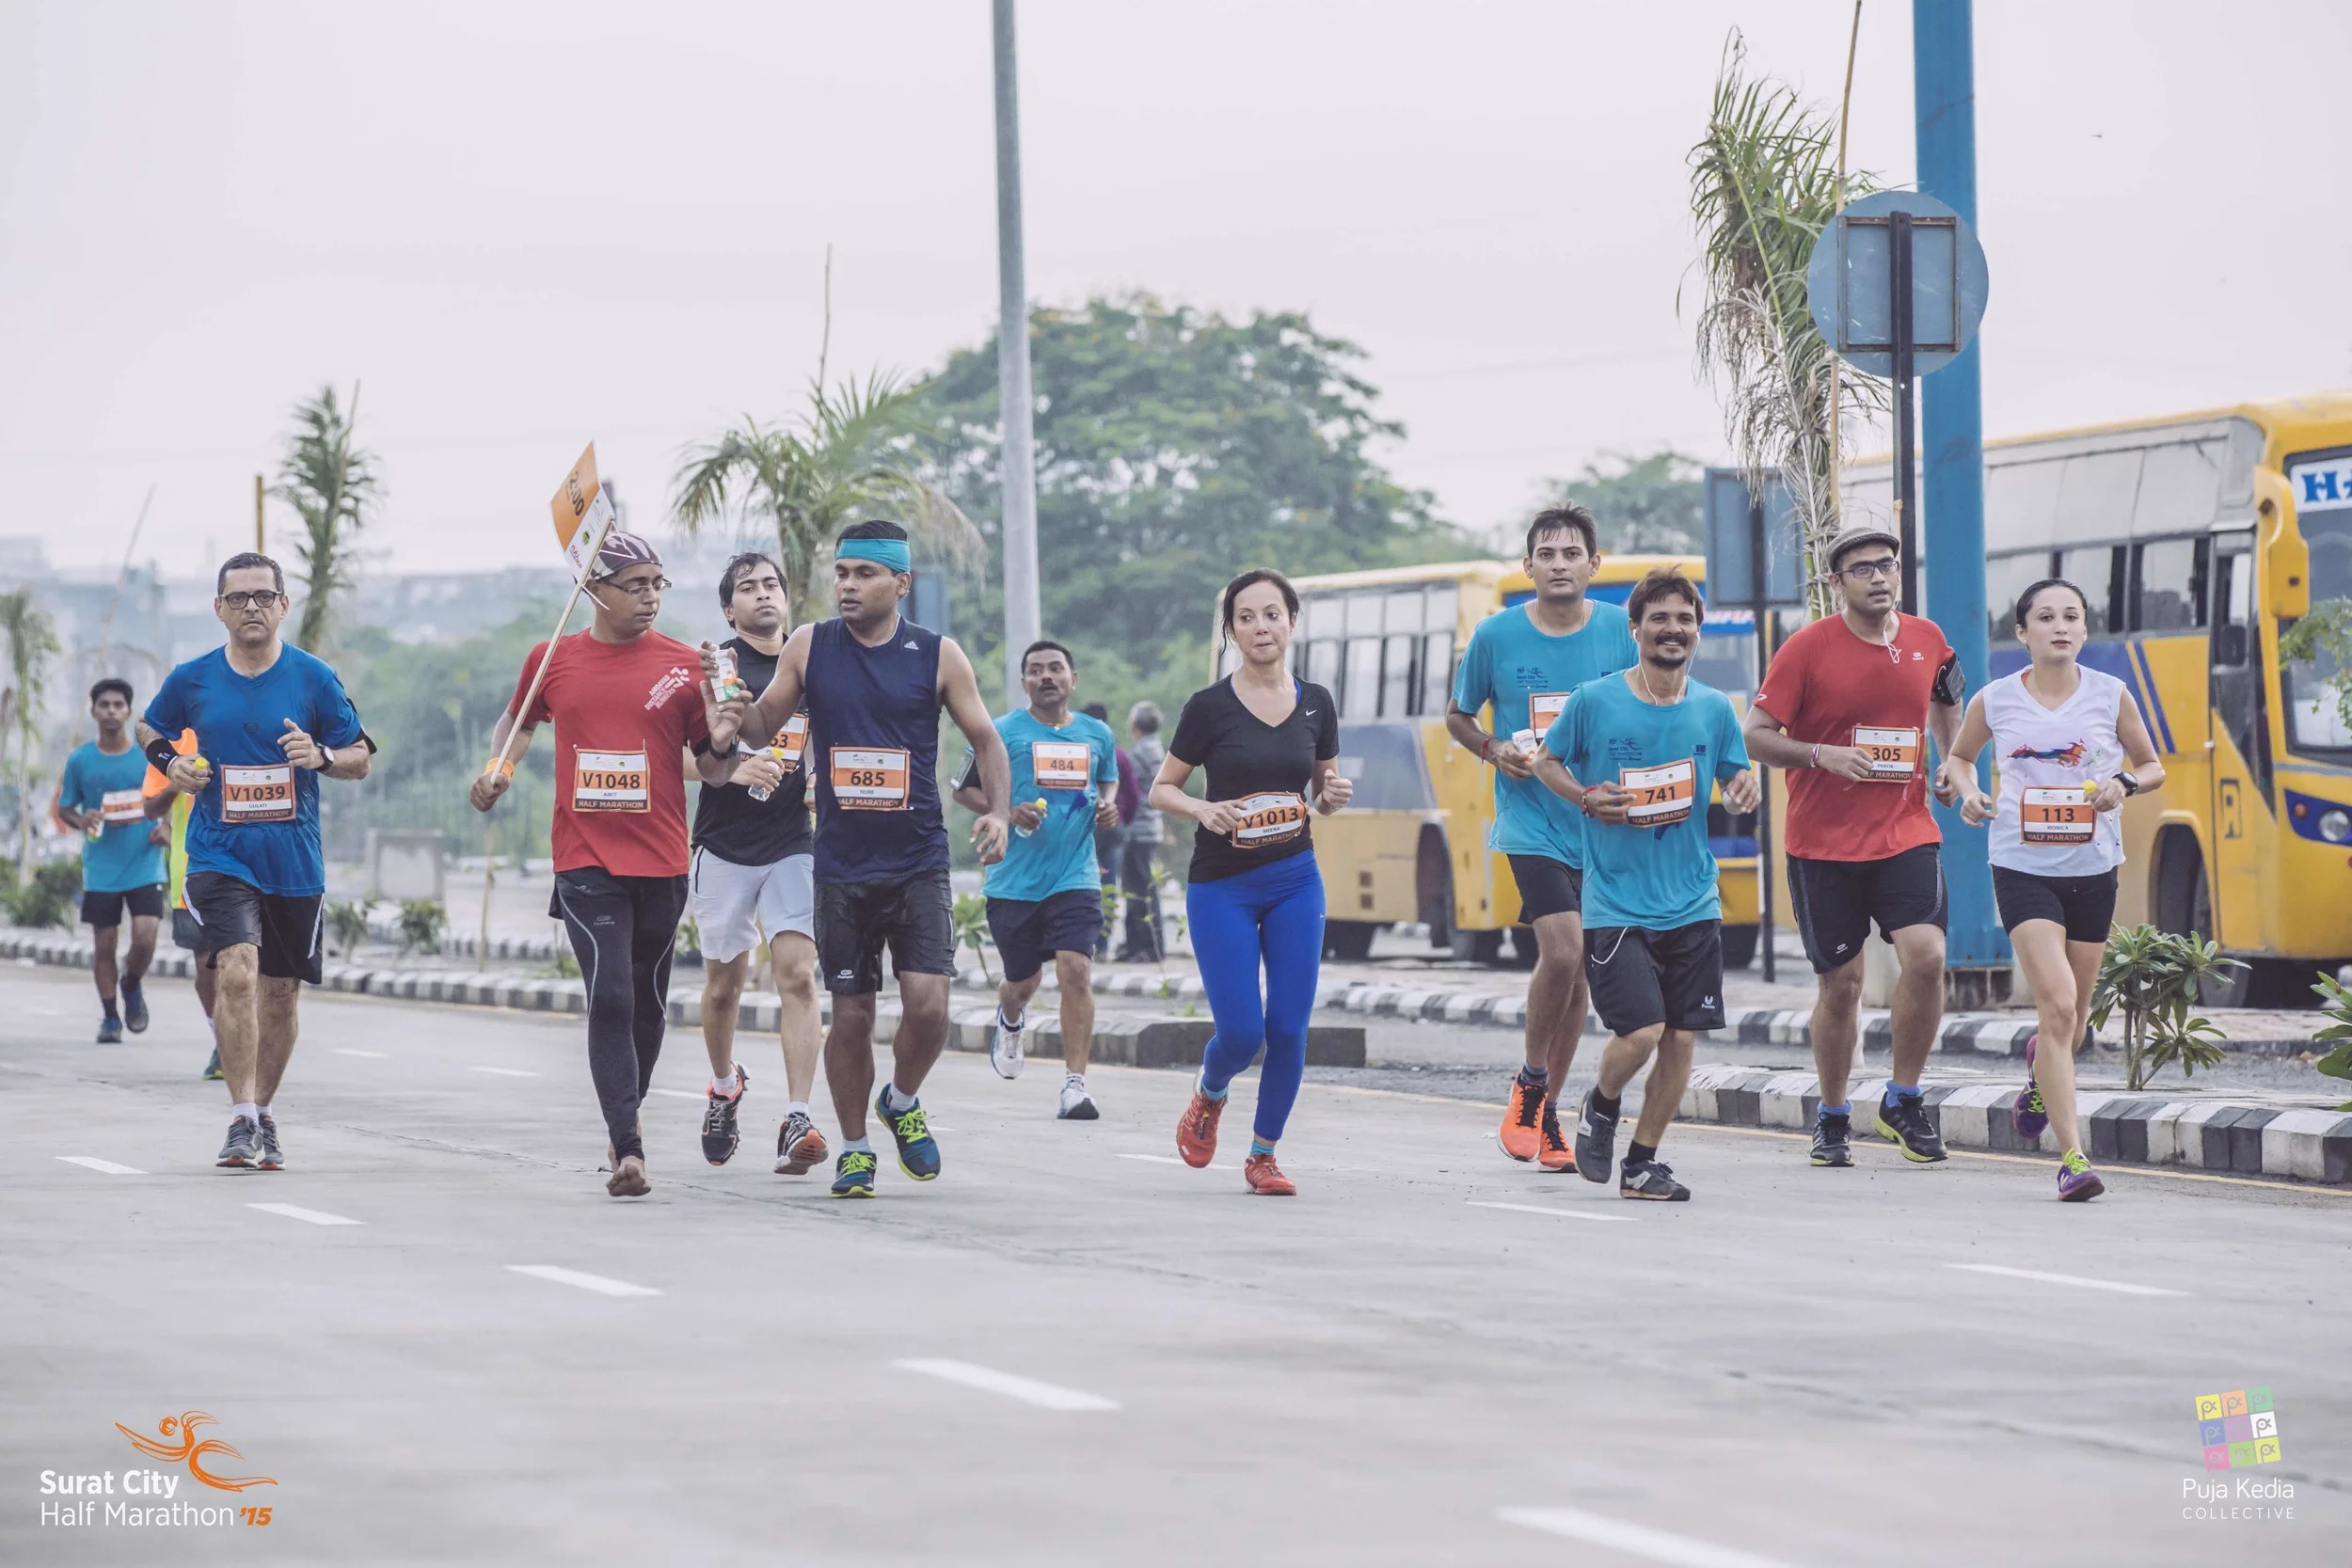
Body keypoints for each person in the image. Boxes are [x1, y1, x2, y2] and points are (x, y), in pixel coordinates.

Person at [707, 519, 1011, 1199]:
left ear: (901, 583)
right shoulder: (810, 646)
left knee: (929, 1007)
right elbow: (761, 724)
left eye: (864, 574)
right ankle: (854, 1148)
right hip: (841, 865)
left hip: (918, 859)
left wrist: (996, 810)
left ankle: (900, 1100)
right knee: (850, 1015)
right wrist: (728, 710)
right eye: (841, 572)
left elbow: (987, 739)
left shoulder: (938, 655)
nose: (847, 585)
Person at [472, 531, 732, 1198]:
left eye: (656, 584)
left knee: (647, 1005)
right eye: (635, 585)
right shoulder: (551, 659)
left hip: (662, 858)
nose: (650, 597)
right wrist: (498, 770)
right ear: (592, 589)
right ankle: (630, 1147)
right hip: (584, 859)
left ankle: (624, 1112)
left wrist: (725, 730)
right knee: (610, 993)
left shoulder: (683, 667)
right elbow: (518, 724)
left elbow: (711, 767)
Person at [139, 553, 373, 1170]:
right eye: (238, 597)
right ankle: (241, 1115)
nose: (251, 607)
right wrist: (171, 763)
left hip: (294, 862)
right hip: (219, 854)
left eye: (263, 596)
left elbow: (360, 755)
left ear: (283, 605)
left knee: (280, 993)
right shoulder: (193, 678)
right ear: (218, 608)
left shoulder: (314, 678)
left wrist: (321, 756)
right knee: (237, 972)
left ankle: (262, 1110)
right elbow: (149, 727)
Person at [1741, 522, 1964, 1168]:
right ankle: (1834, 1113)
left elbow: (1947, 696)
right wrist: (1822, 754)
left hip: (1905, 830)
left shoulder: (1927, 639)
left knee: (1927, 956)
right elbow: (1755, 734)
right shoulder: (1806, 649)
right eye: (1862, 569)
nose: (1879, 577)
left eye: (1887, 564)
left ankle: (1904, 1097)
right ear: (1836, 583)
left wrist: (1951, 761)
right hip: (1823, 843)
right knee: (1841, 986)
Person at [1535, 566, 1758, 1201]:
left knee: (1682, 1036)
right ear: (1635, 629)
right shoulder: (1594, 700)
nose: (1672, 629)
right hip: (1616, 902)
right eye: (1659, 618)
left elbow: (1736, 780)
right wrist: (1585, 797)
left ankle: (1642, 1163)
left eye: (1684, 619)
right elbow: (1547, 761)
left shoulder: (1714, 708)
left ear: (1697, 632)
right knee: (1642, 1032)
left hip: (1692, 899)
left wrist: (1743, 790)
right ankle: (1602, 1102)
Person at [1939, 578, 2164, 1202]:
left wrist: (2124, 783)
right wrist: (1970, 792)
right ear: (2022, 632)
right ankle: (2072, 1159)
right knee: (2059, 1004)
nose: (2060, 626)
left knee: (2073, 1023)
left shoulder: (2110, 694)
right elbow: (1960, 758)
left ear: (2084, 629)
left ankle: (2041, 1073)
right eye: (2045, 617)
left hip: (2093, 868)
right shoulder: (1995, 700)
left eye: (2071, 616)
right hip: (2023, 867)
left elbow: (2152, 765)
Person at [1446, 503, 1636, 1172]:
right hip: (1531, 823)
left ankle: (1548, 1109)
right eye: (1547, 554)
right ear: (1527, 566)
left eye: (1571, 553)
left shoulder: (1620, 631)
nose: (1559, 564)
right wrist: (1493, 748)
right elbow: (1459, 715)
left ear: (1594, 564)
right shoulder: (1496, 635)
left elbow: (1645, 704)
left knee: (1578, 971)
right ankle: (1530, 1083)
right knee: (1563, 950)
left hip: (1599, 823)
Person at [1152, 569, 1351, 1196]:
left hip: (1296, 880)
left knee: (1289, 1028)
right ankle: (1210, 1093)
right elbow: (1163, 788)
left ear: (1292, 622)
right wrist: (1201, 808)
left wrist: (1332, 795)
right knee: (1242, 1034)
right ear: (1231, 631)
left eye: (1272, 614)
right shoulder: (1209, 707)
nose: (1261, 627)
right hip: (1223, 887)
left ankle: (1263, 1154)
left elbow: (1322, 789)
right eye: (1247, 617)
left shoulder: (1317, 702)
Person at [687, 552, 827, 1176]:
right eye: (748, 588)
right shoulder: (718, 667)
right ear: (729, 609)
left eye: (772, 584)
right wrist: (734, 768)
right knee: (724, 987)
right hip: (723, 846)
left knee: (798, 976)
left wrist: (821, 777)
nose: (763, 594)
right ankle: (724, 1087)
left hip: (793, 842)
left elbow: (824, 737)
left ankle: (798, 1116)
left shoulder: (812, 662)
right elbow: (676, 754)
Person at [952, 640, 1120, 1119]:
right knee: (1021, 983)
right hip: (1014, 880)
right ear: (1024, 681)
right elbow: (961, 788)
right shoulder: (999, 731)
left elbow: (1107, 778)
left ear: (1073, 679)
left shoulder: (1097, 733)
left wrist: (1108, 804)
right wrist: (1005, 810)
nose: (1047, 676)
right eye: (1036, 670)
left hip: (1076, 874)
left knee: (1076, 969)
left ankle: (1075, 1086)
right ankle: (1010, 1018)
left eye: (1056, 668)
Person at [58, 678, 169, 1043]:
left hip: (145, 861)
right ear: (93, 711)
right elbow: (65, 808)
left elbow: (170, 798)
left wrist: (166, 827)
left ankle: (131, 982)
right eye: (103, 704)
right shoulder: (80, 760)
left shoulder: (147, 757)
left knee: (146, 937)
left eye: (118, 705)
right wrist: (82, 820)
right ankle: (110, 1018)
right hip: (102, 866)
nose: (111, 711)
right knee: (104, 943)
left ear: (129, 711)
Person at [140, 727, 220, 1079]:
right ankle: (224, 1041)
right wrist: (175, 781)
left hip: (249, 869)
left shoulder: (249, 724)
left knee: (246, 963)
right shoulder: (173, 744)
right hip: (191, 870)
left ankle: (244, 1039)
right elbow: (149, 807)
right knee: (205, 966)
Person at [1117, 702, 1168, 962]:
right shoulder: (1157, 748)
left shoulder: (1139, 753)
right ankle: (1139, 945)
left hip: (1139, 829)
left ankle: (1146, 947)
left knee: (1139, 889)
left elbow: (1126, 787)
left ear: (1135, 725)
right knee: (1141, 887)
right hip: (1150, 827)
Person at [1083, 700, 1126, 960]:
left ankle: (1095, 943)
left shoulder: (1084, 750)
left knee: (1099, 884)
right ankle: (1100, 944)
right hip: (1102, 830)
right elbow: (1133, 794)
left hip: (1098, 831)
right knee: (1104, 885)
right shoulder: (1117, 753)